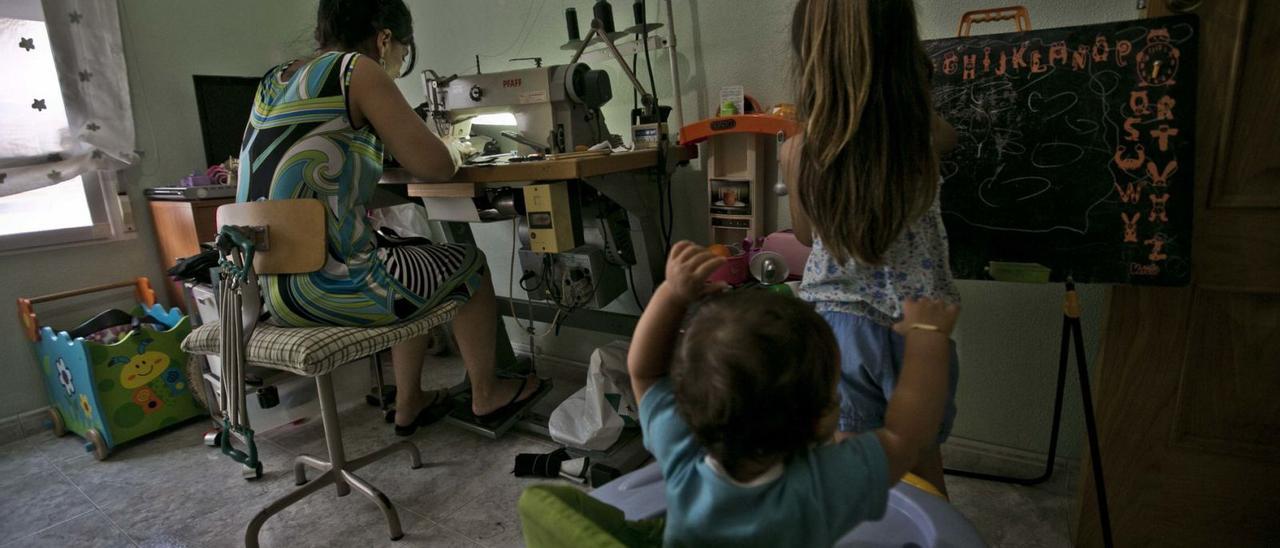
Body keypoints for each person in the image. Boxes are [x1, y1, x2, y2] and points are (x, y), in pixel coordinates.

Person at [235, 0, 543, 436]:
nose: (398, 64)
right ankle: (487, 393)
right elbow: (436, 166)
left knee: (406, 253)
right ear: (383, 38)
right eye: (402, 51)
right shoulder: (356, 70)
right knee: (467, 265)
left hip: (273, 290)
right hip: (332, 288)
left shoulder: (273, 81)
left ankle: (409, 400)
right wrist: (458, 145)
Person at [628, 242, 960, 546]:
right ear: (820, 420)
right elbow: (908, 435)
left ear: (687, 400)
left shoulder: (681, 450)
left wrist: (671, 294)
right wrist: (927, 336)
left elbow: (644, 371)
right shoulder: (825, 485)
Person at [783, 0, 961, 494]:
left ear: (808, 55)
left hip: (843, 329)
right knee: (922, 456)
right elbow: (954, 136)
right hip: (920, 324)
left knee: (853, 466)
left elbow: (803, 236)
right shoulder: (924, 136)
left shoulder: (798, 151)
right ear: (904, 51)